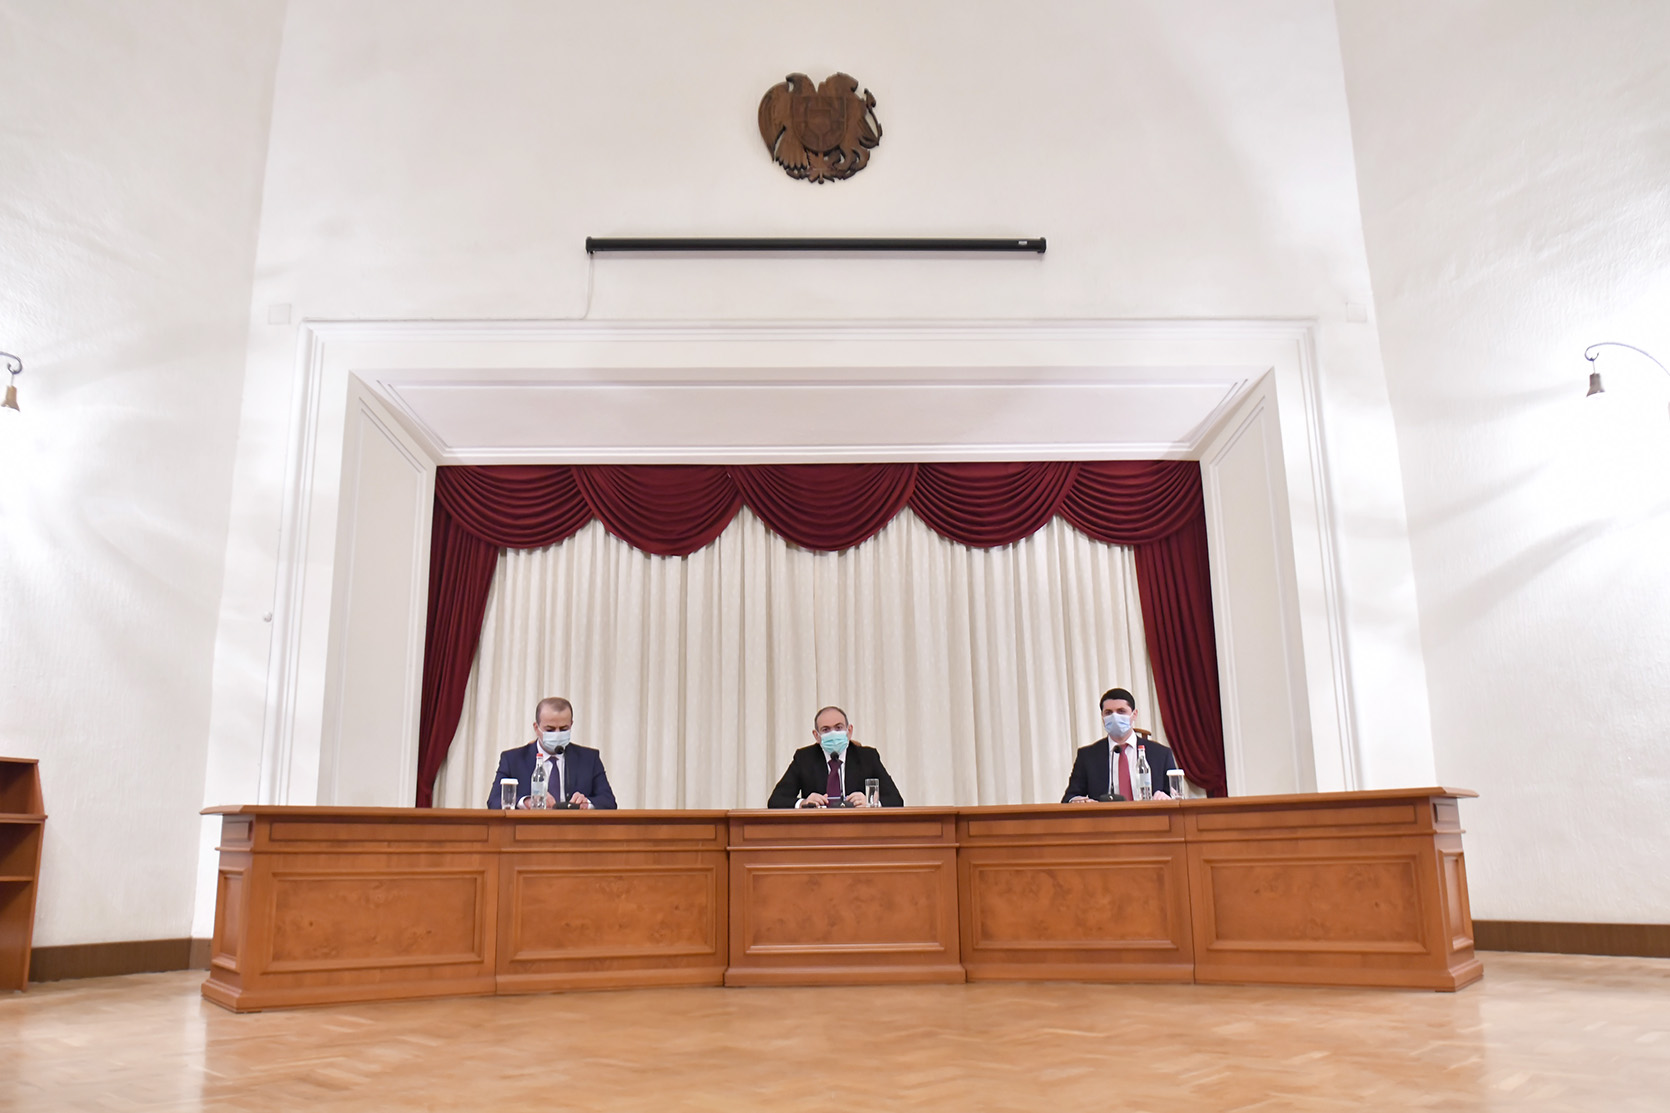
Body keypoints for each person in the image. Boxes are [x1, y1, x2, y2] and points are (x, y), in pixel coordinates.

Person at [486, 696, 617, 809]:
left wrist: (586, 803)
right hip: (530, 829)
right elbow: (494, 801)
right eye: (550, 729)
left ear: (571, 725)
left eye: (564, 729)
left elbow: (608, 802)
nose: (557, 734)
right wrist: (526, 802)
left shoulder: (589, 759)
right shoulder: (513, 760)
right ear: (536, 728)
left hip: (574, 829)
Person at [768, 705, 903, 808]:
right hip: (818, 829)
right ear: (816, 735)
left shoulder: (867, 757)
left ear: (849, 731)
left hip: (858, 829)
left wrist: (870, 803)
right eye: (826, 730)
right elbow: (776, 800)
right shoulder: (804, 758)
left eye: (838, 728)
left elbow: (896, 800)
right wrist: (803, 803)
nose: (833, 734)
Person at [1062, 687, 1179, 803]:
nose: (1114, 717)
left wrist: (1166, 798)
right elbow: (1069, 798)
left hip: (1150, 814)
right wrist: (1078, 801)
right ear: (1102, 717)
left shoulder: (1161, 754)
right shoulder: (1088, 756)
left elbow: (1176, 796)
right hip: (1104, 815)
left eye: (1121, 711)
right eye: (1108, 713)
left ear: (1134, 714)